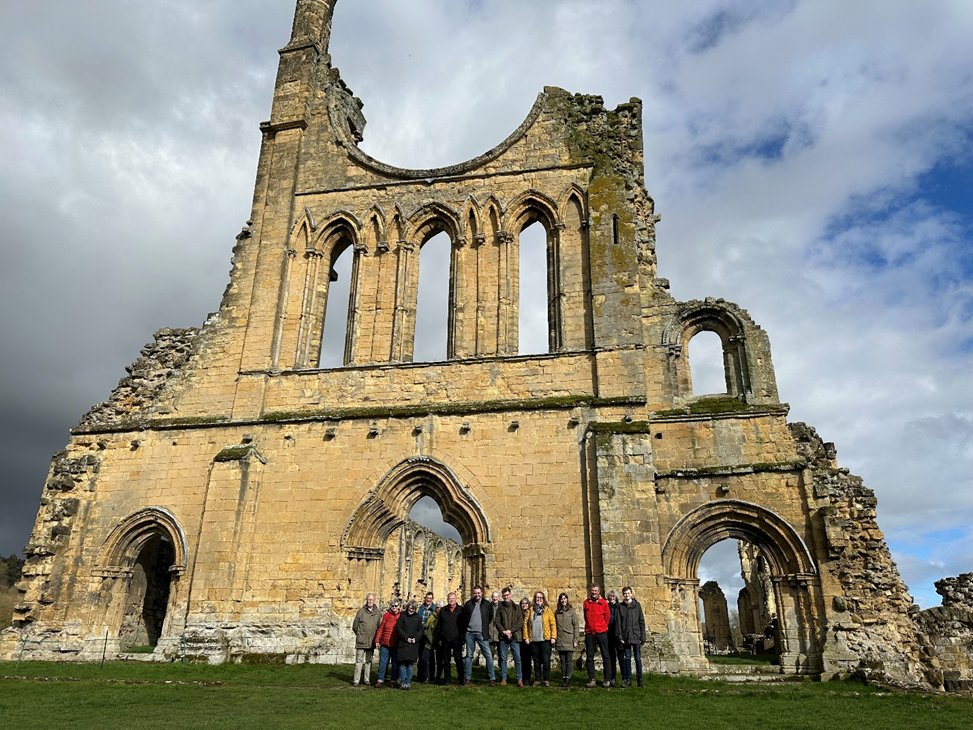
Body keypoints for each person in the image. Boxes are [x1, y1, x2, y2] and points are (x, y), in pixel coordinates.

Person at [460, 585, 496, 686]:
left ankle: (492, 678)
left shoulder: (487, 604)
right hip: (469, 633)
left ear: (482, 593)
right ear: (473, 593)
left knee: (488, 655)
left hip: (482, 633)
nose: (477, 595)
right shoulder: (468, 604)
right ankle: (467, 678)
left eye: (479, 593)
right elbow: (464, 618)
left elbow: (489, 617)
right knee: (469, 655)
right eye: (475, 593)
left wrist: (483, 627)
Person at [524, 590, 556, 686]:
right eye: (537, 597)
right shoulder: (530, 610)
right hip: (534, 640)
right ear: (535, 599)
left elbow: (553, 624)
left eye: (541, 597)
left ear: (543, 599)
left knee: (546, 660)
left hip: (545, 639)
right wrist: (526, 637)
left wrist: (553, 637)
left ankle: (546, 679)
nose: (539, 599)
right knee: (536, 661)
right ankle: (537, 679)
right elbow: (525, 624)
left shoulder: (547, 610)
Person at [583, 583, 612, 688]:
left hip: (601, 632)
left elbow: (607, 618)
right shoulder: (586, 602)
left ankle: (607, 679)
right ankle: (592, 679)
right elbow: (585, 617)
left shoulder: (603, 603)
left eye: (596, 591)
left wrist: (601, 626)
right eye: (592, 590)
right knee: (590, 657)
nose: (594, 592)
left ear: (599, 592)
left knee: (605, 656)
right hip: (590, 632)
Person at [617, 586, 646, 688]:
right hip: (626, 637)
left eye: (628, 593)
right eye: (625, 593)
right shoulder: (620, 607)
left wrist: (643, 637)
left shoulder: (637, 606)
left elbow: (641, 621)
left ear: (631, 594)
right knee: (627, 659)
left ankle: (640, 680)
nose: (627, 595)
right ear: (623, 595)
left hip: (636, 636)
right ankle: (628, 680)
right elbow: (619, 623)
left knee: (638, 659)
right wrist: (620, 636)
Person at [494, 586, 524, 686]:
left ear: (510, 595)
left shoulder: (517, 607)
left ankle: (519, 679)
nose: (506, 597)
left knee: (517, 658)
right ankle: (503, 678)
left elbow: (520, 622)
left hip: (514, 636)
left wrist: (510, 631)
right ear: (502, 596)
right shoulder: (500, 608)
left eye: (507, 595)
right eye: (504, 596)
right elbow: (497, 622)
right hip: (503, 637)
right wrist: (504, 631)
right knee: (503, 658)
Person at [351, 592, 381, 686]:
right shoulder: (361, 611)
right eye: (368, 599)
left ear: (374, 600)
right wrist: (360, 634)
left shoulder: (378, 613)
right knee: (359, 661)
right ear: (366, 600)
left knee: (369, 661)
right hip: (361, 640)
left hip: (371, 641)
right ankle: (356, 680)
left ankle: (366, 679)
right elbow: (355, 626)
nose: (370, 601)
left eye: (372, 599)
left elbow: (379, 627)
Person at [435, 592, 464, 684]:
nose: (451, 600)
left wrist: (463, 638)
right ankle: (447, 679)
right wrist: (440, 637)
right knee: (446, 660)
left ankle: (461, 679)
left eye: (453, 598)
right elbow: (439, 625)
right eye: (449, 598)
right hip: (445, 639)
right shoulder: (443, 610)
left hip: (457, 639)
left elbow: (464, 625)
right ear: (447, 599)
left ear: (456, 599)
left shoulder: (461, 610)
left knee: (458, 659)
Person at [395, 600, 423, 690]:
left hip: (412, 644)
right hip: (403, 643)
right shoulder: (402, 616)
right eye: (410, 608)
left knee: (410, 664)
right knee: (402, 664)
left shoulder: (417, 617)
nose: (411, 610)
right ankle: (403, 682)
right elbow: (398, 628)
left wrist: (415, 638)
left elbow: (420, 630)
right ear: (407, 607)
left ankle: (408, 682)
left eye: (413, 609)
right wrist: (406, 638)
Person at [554, 592, 579, 687]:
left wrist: (575, 639)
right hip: (560, 639)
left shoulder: (571, 611)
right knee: (562, 661)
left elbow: (576, 626)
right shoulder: (557, 612)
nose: (563, 600)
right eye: (561, 599)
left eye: (564, 598)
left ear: (567, 600)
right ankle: (564, 677)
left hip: (569, 638)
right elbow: (555, 626)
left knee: (569, 660)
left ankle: (568, 677)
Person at [375, 599, 401, 688]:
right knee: (383, 663)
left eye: (396, 606)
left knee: (395, 663)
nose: (394, 607)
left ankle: (393, 680)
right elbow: (381, 628)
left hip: (396, 644)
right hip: (385, 643)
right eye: (392, 606)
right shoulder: (386, 615)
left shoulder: (401, 616)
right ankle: (380, 680)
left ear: (399, 607)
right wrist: (377, 640)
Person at [417, 591, 436, 682]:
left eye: (430, 598)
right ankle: (421, 675)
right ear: (425, 598)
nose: (428, 600)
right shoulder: (421, 608)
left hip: (430, 635)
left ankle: (431, 676)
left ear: (432, 599)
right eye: (427, 598)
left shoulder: (434, 609)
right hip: (421, 635)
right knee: (421, 656)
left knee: (430, 656)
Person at [420, 602, 440, 684]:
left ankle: (434, 677)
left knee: (436, 660)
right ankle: (427, 677)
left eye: (440, 607)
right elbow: (426, 625)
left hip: (438, 641)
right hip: (428, 640)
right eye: (437, 607)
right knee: (424, 658)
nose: (438, 609)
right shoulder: (431, 616)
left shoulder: (442, 617)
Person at [606, 588, 622, 687]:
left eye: (613, 596)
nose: (612, 598)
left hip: (618, 633)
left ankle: (625, 678)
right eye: (610, 596)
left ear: (616, 597)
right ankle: (612, 678)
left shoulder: (620, 607)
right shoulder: (606, 606)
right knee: (611, 657)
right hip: (609, 633)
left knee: (621, 656)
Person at [518, 596, 533, 686]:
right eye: (522, 603)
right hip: (520, 639)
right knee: (522, 659)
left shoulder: (530, 613)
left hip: (529, 639)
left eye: (526, 603)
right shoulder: (519, 613)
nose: (524, 605)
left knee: (528, 660)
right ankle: (522, 678)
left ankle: (528, 678)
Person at [487, 590, 501, 679]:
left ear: (498, 598)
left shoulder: (502, 606)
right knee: (489, 655)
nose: (495, 598)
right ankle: (490, 674)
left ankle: (501, 673)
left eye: (496, 597)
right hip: (490, 634)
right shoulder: (488, 606)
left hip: (499, 634)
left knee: (501, 655)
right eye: (493, 597)